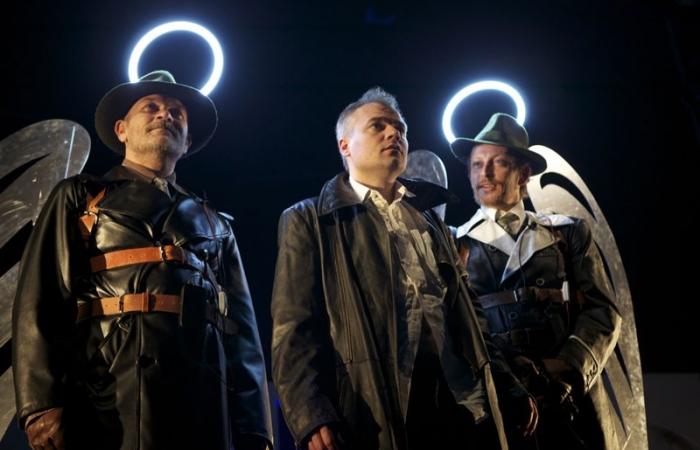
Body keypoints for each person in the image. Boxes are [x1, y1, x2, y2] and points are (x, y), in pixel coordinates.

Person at [12, 70, 273, 450]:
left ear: (187, 142)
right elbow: (40, 296)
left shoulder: (216, 223)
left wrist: (255, 427)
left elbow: (243, 331)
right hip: (108, 396)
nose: (165, 115)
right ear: (121, 129)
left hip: (203, 406)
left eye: (177, 112)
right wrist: (40, 404)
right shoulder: (82, 197)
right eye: (150, 107)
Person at [271, 88, 536, 450]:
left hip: (461, 404)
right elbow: (293, 327)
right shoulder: (310, 220)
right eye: (378, 126)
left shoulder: (430, 218)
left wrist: (506, 382)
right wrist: (310, 413)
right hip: (378, 409)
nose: (393, 133)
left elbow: (469, 315)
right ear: (345, 146)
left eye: (400, 128)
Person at [450, 112, 622, 449]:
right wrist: (506, 380)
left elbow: (603, 312)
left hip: (568, 401)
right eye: (476, 165)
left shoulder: (567, 232)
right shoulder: (455, 244)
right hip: (499, 404)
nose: (484, 174)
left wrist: (568, 369)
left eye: (498, 163)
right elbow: (456, 330)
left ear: (524, 173)